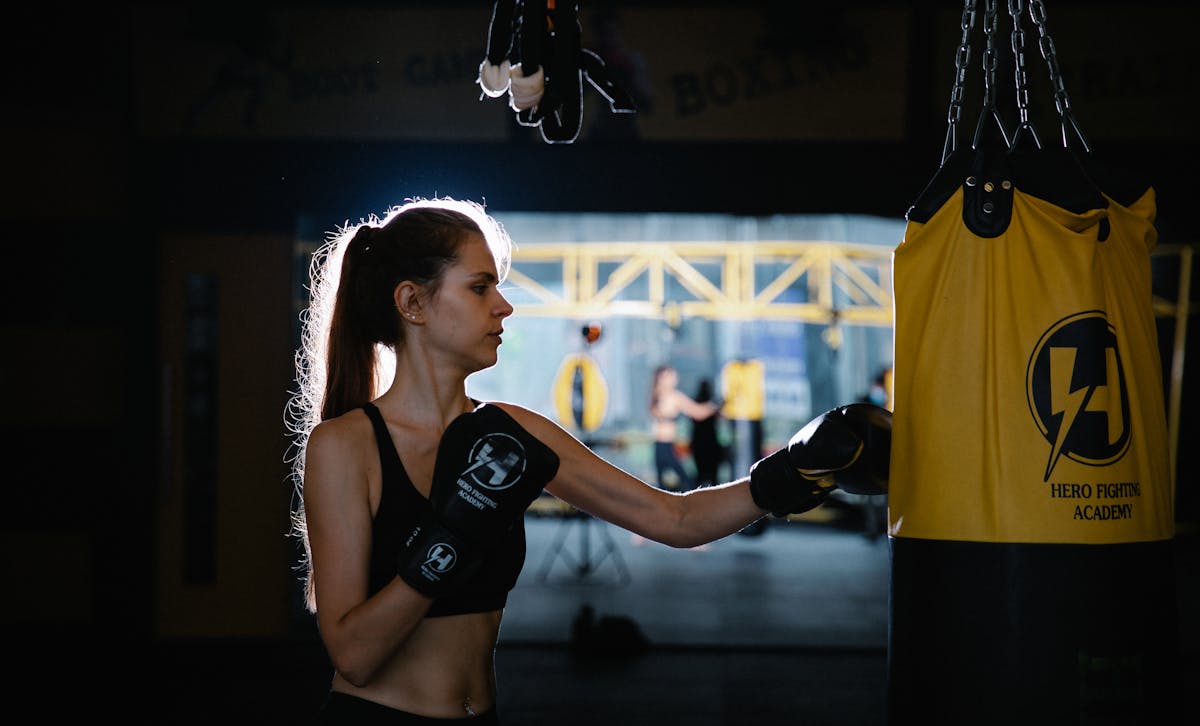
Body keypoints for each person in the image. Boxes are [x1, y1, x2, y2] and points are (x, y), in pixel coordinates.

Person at [287, 196, 891, 724]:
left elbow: (672, 520)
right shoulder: (346, 446)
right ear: (412, 303)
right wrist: (450, 535)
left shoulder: (512, 433)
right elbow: (355, 656)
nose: (504, 307)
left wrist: (791, 471)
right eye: (479, 288)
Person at [648, 364, 717, 492]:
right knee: (672, 483)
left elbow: (697, 412)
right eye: (671, 376)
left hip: (667, 445)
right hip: (660, 445)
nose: (675, 379)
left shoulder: (672, 396)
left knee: (682, 480)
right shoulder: (660, 395)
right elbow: (697, 412)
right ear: (662, 378)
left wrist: (712, 407)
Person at [688, 378, 726, 489]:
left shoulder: (696, 402)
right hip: (709, 442)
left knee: (701, 475)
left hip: (699, 442)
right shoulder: (711, 405)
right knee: (712, 476)